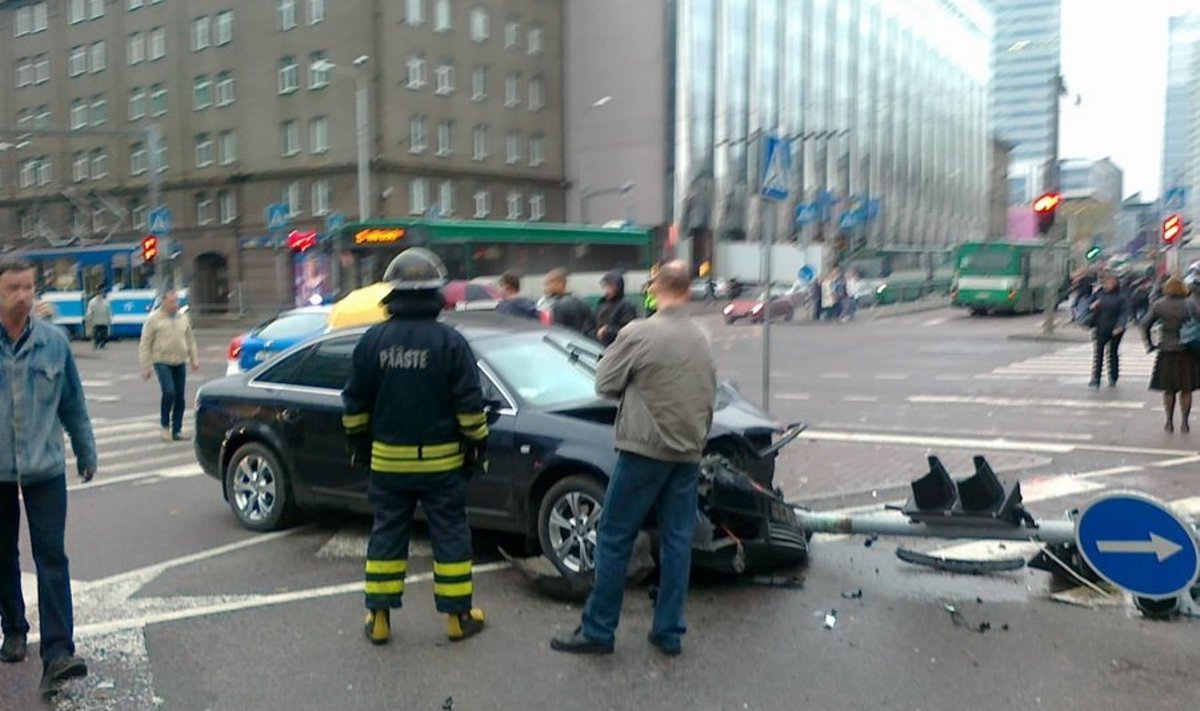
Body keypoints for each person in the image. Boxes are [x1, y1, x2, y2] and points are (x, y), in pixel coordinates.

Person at [551, 260, 716, 658]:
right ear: (688, 291)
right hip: (688, 451)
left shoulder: (639, 332)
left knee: (613, 535)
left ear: (654, 290)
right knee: (677, 541)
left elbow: (604, 383)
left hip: (645, 449)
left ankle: (598, 629)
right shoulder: (702, 335)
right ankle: (669, 631)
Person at [342, 248, 489, 646]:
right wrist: (477, 446)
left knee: (386, 536)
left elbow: (354, 404)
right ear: (435, 294)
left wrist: (358, 444)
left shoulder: (372, 341)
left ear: (392, 293)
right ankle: (458, 618)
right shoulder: (451, 342)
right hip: (443, 465)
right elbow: (469, 408)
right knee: (451, 536)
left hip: (388, 463)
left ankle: (379, 617)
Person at [0, 257, 97, 699]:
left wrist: (86, 451)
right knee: (2, 556)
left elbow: (73, 404)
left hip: (45, 468)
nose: (23, 295)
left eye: (28, 287)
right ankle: (14, 629)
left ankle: (58, 654)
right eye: (13, 288)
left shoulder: (54, 344)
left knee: (52, 558)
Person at [138, 290, 199, 442]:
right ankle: (165, 427)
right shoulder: (154, 319)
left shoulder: (182, 317)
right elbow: (145, 343)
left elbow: (190, 339)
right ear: (163, 302)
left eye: (176, 301)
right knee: (169, 392)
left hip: (179, 360)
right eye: (172, 301)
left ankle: (177, 429)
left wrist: (194, 359)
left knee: (180, 396)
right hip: (162, 360)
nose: (175, 304)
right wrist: (146, 366)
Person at [1141, 276, 1200, 433]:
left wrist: (1150, 344)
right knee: (1186, 389)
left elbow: (1145, 324)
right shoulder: (1191, 304)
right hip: (1187, 351)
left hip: (1167, 351)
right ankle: (1185, 423)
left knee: (1169, 389)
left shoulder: (1159, 305)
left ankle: (1169, 421)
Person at [1087, 272, 1129, 388]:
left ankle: (1113, 377)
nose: (1106, 285)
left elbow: (1124, 313)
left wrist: (1120, 326)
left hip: (1115, 328)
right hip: (1101, 327)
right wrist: (1093, 306)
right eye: (1104, 282)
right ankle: (1096, 378)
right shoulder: (1099, 294)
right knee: (1098, 354)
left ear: (1115, 282)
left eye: (1109, 282)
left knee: (1113, 353)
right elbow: (1088, 305)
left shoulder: (1121, 296)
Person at [540, 268, 597, 338]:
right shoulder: (579, 301)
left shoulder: (560, 305)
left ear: (559, 284)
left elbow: (557, 329)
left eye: (548, 284)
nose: (546, 287)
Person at [595, 271, 638, 347]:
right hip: (600, 345)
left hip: (617, 347)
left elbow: (628, 331)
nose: (608, 289)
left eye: (611, 286)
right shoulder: (602, 303)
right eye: (606, 285)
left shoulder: (626, 306)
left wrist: (607, 331)